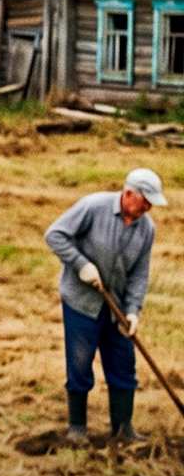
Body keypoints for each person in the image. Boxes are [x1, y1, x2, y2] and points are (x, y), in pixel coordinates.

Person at [45, 168, 164, 445]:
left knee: (123, 364)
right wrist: (81, 264)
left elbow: (139, 275)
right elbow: (55, 235)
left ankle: (123, 429)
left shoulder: (146, 229)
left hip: (117, 308)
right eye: (145, 201)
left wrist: (133, 310)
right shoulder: (93, 207)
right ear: (129, 193)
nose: (148, 208)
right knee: (80, 363)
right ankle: (77, 429)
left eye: (151, 204)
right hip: (82, 302)